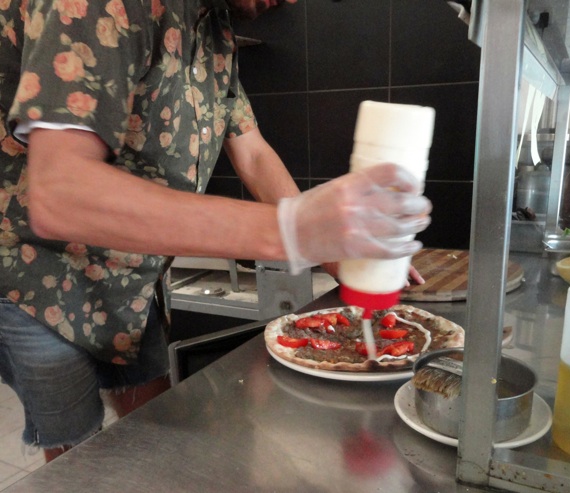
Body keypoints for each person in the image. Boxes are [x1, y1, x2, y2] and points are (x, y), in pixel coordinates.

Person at [0, 0, 432, 462]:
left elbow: (253, 152)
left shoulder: (212, 25)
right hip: (40, 275)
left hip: (134, 270)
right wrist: (293, 230)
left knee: (153, 426)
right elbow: (61, 194)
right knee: (78, 453)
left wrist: (336, 252)